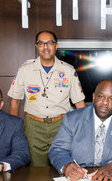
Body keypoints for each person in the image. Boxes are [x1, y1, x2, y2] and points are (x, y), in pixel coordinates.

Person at [8, 30, 86, 166]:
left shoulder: (68, 70)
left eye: (50, 43)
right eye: (41, 43)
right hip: (34, 127)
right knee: (37, 170)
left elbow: (79, 103)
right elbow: (15, 101)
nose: (46, 47)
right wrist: (13, 131)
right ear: (36, 46)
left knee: (63, 166)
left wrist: (85, 129)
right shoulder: (24, 69)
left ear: (56, 46)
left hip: (62, 125)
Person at [49, 79, 112, 181]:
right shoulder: (72, 119)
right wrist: (67, 166)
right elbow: (57, 149)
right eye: (101, 97)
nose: (105, 102)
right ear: (93, 97)